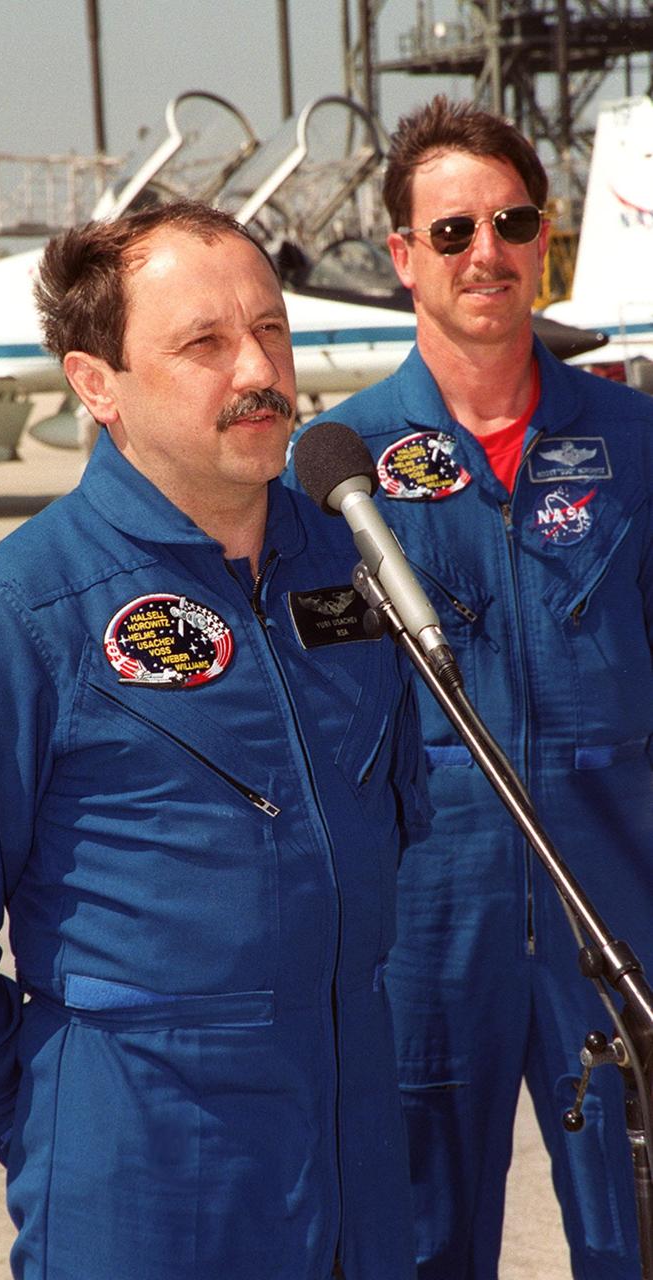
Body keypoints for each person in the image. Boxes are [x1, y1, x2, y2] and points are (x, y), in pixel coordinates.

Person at [0, 201, 432, 1280]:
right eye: (205, 343)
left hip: (356, 1167)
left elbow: (394, 821)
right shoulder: (13, 619)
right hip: (148, 1183)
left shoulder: (350, 565)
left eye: (271, 330)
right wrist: (61, 1112)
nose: (257, 368)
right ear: (96, 383)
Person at [293, 96, 653, 1278]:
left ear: (541, 239)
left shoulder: (635, 444)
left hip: (618, 907)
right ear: (402, 257)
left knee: (635, 1230)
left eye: (510, 222)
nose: (483, 252)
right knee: (422, 1243)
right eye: (451, 231)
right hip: (424, 922)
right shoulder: (331, 472)